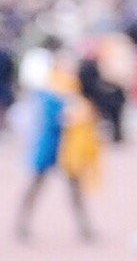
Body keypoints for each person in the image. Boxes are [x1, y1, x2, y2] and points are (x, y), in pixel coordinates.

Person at [12, 47, 94, 244]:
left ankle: (85, 228)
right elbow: (52, 119)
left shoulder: (71, 87)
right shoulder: (51, 89)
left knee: (74, 188)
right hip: (50, 146)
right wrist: (71, 116)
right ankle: (21, 224)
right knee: (36, 185)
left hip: (69, 148)